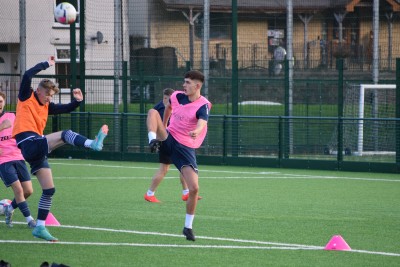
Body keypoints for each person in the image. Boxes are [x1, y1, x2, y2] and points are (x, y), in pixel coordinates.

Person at [12, 56, 109, 241]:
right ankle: (92, 144)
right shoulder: (26, 96)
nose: (49, 99)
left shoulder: (46, 106)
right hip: (28, 143)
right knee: (65, 134)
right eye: (47, 95)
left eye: (51, 96)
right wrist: (46, 64)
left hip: (36, 149)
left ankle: (40, 227)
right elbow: (26, 74)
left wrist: (78, 102)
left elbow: (65, 108)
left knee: (49, 190)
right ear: (39, 91)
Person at [147, 70, 211, 241]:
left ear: (197, 86)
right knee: (152, 112)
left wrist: (196, 131)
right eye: (184, 82)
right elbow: (168, 107)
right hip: (169, 138)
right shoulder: (176, 96)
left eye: (188, 83)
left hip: (185, 148)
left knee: (194, 189)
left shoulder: (203, 104)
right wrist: (165, 124)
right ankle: (152, 141)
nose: (184, 85)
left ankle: (187, 228)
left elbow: (202, 121)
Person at [144, 88, 202, 203]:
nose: (167, 101)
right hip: (166, 140)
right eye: (166, 98)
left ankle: (186, 193)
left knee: (184, 168)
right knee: (164, 169)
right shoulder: (161, 107)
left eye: (169, 99)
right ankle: (150, 193)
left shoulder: (179, 105)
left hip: (179, 141)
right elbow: (152, 120)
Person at [0, 91, 36, 228]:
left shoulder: (12, 116)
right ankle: (30, 220)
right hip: (3, 161)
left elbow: (22, 132)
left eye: (0, 101)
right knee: (19, 190)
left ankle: (9, 208)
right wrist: (2, 126)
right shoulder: (6, 122)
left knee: (28, 191)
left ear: (4, 102)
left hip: (18, 157)